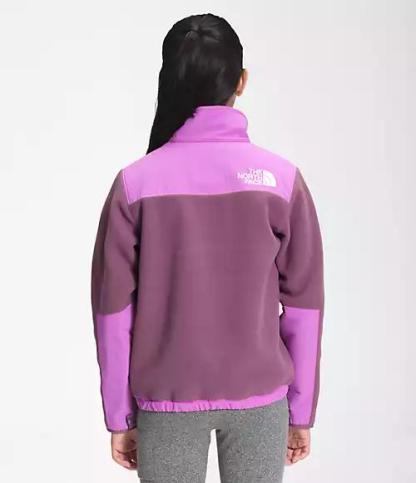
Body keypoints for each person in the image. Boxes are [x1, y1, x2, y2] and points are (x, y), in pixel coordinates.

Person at [91, 12, 324, 483]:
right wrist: (300, 411)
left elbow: (112, 312)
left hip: (168, 398)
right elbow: (305, 307)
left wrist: (120, 416)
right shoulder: (281, 181)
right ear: (241, 81)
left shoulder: (135, 184)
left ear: (170, 80)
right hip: (260, 398)